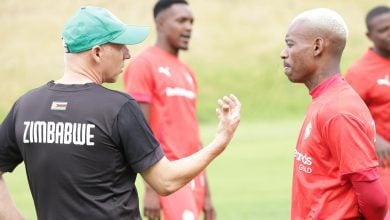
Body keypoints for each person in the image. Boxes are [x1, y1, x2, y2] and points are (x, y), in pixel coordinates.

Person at [0, 6, 241, 220]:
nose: (127, 54)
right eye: (120, 45)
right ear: (96, 53)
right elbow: (165, 181)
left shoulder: (26, 106)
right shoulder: (118, 108)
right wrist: (220, 141)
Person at [280, 8, 388, 219]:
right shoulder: (324, 99)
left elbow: (375, 201)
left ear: (317, 47)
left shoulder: (339, 109)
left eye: (290, 44)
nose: (283, 53)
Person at [123, 1, 216, 219]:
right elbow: (139, 132)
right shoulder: (143, 65)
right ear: (161, 23)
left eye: (191, 21)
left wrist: (207, 196)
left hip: (194, 175)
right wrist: (152, 190)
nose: (189, 27)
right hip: (169, 175)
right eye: (181, 20)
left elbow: (193, 136)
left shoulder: (187, 73)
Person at [345, 5, 390, 215]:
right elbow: (347, 116)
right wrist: (375, 138)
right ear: (369, 35)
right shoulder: (359, 71)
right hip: (383, 161)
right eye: (384, 30)